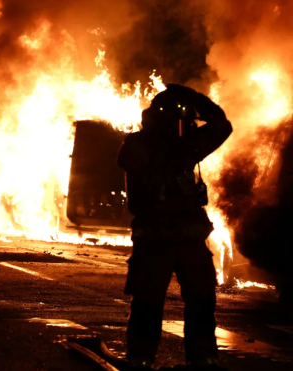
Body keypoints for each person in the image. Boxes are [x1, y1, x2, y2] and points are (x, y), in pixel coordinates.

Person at [118, 84, 233, 370]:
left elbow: (221, 126)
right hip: (155, 241)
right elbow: (132, 160)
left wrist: (194, 99)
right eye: (178, 120)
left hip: (189, 241)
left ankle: (203, 359)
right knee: (148, 303)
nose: (183, 126)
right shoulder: (139, 146)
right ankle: (140, 359)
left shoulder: (186, 146)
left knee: (202, 300)